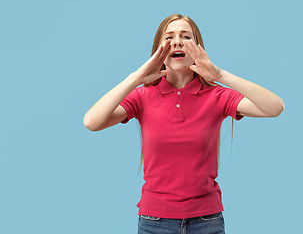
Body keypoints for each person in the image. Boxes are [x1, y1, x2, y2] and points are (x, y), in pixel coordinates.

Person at [83, 14, 284, 234]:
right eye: (169, 37)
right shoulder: (142, 97)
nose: (177, 41)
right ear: (158, 50)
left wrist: (221, 75)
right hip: (154, 221)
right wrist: (137, 77)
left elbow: (274, 107)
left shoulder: (217, 96)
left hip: (207, 220)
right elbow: (92, 121)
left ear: (198, 47)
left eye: (185, 36)